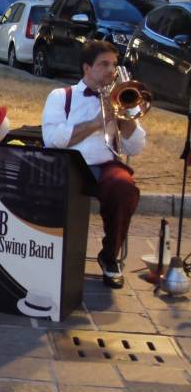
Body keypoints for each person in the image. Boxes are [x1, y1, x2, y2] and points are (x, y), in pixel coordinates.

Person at [42, 40, 145, 289]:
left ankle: (110, 257)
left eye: (114, 65)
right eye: (103, 64)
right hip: (69, 165)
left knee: (125, 188)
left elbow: (135, 148)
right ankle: (48, 255)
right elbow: (53, 140)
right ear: (87, 68)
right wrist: (97, 122)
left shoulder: (119, 99)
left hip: (105, 165)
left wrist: (127, 120)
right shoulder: (61, 96)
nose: (111, 71)